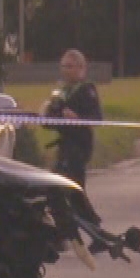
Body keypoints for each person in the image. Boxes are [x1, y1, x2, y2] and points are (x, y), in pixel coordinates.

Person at [43, 49, 102, 188]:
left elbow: (97, 118)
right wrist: (46, 115)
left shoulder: (87, 90)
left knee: (74, 185)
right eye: (63, 66)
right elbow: (50, 120)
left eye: (69, 66)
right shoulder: (61, 92)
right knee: (56, 185)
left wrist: (78, 118)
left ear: (81, 68)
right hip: (64, 145)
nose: (65, 70)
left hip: (80, 144)